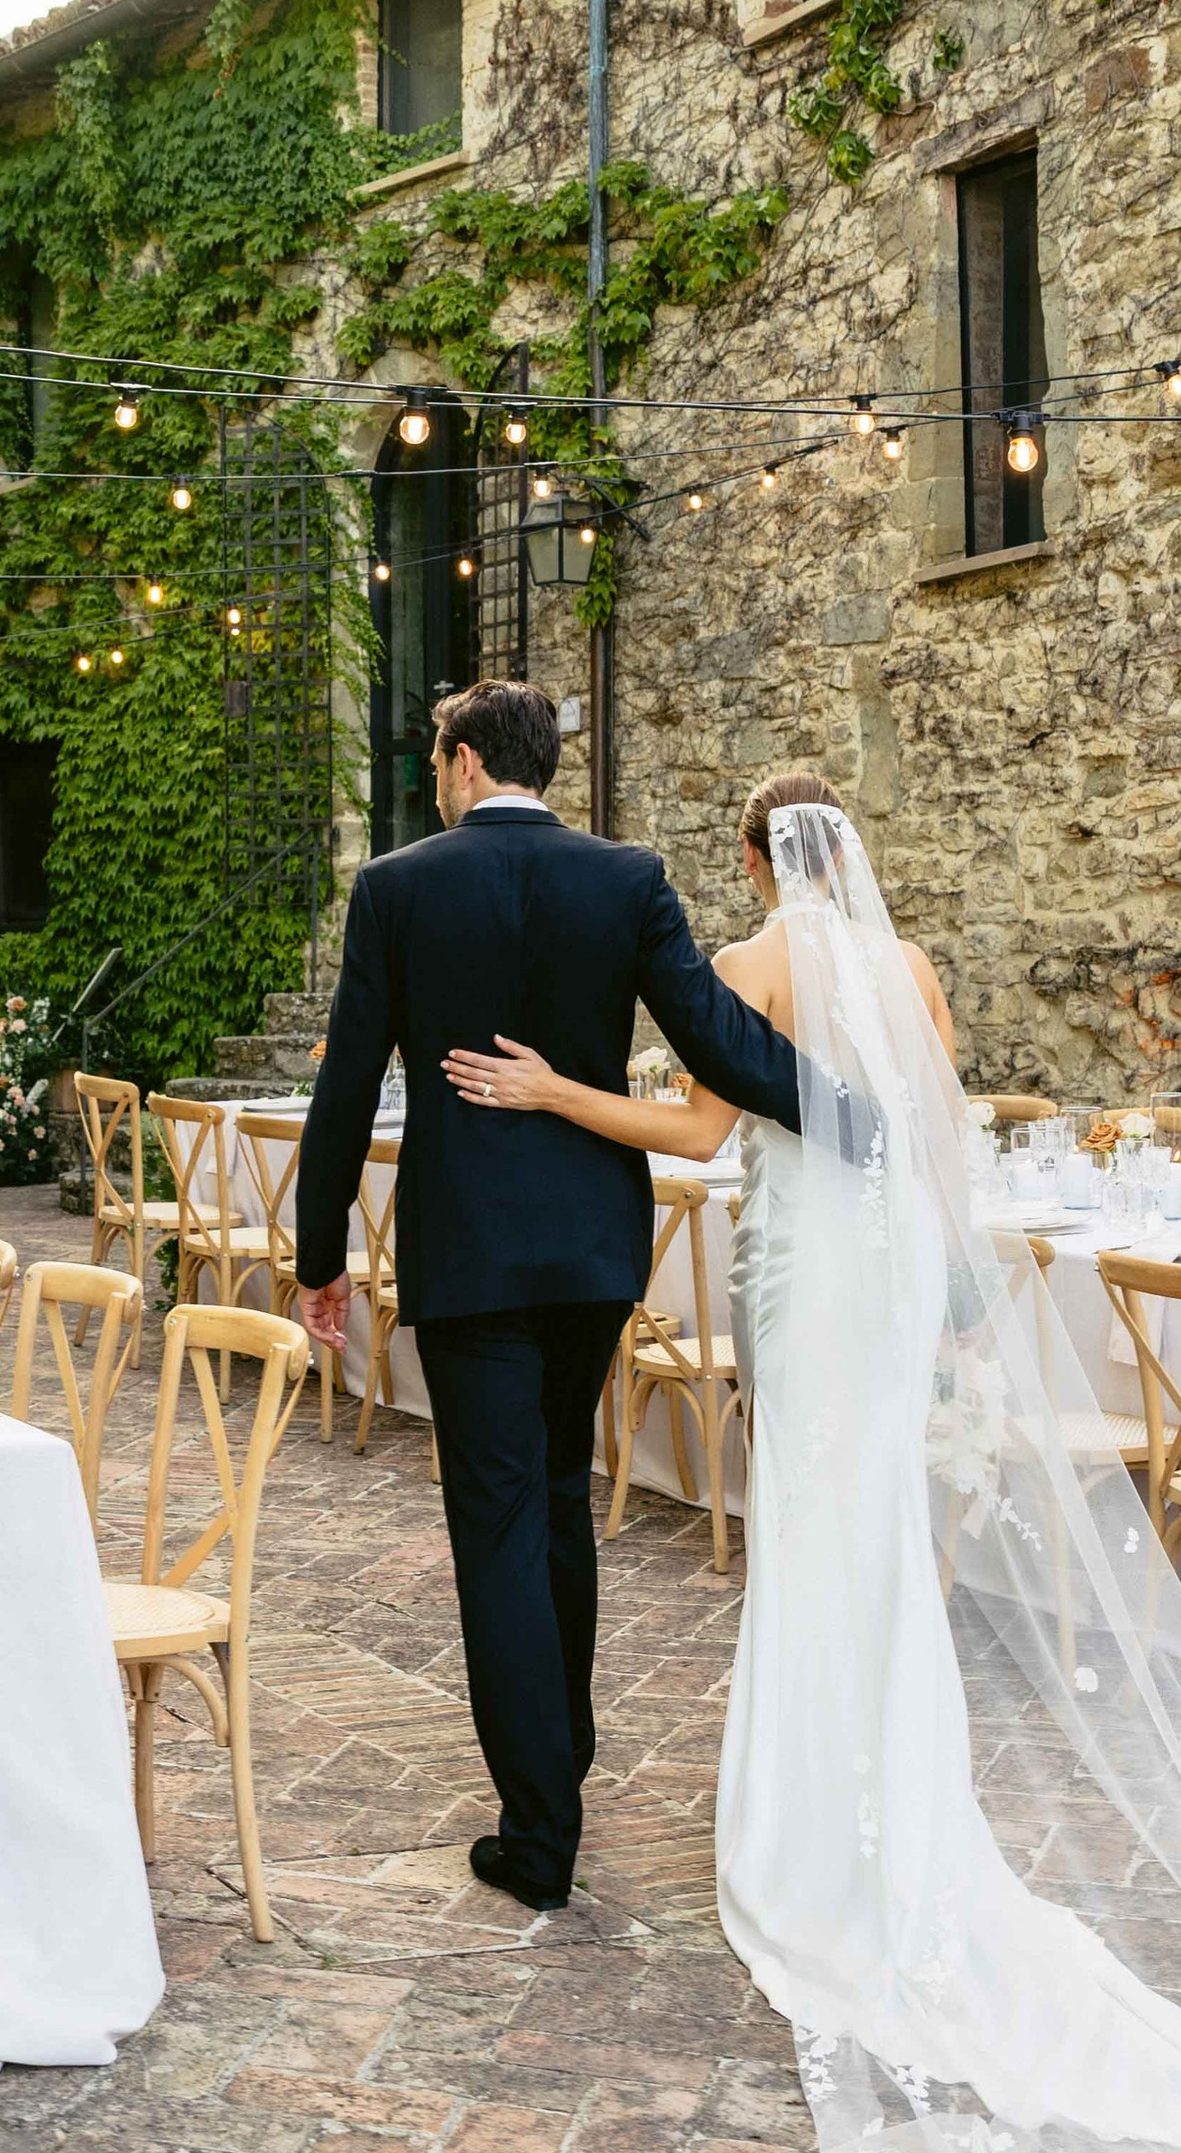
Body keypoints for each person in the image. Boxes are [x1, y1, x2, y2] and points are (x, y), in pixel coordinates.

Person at [443, 762, 1181, 2153]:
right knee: (868, 1524)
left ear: (753, 861)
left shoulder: (747, 960)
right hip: (903, 1258)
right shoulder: (909, 962)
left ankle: (818, 1820)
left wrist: (552, 1091)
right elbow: (934, 1142)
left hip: (808, 1268)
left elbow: (697, 1135)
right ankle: (895, 1791)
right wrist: (964, 1301)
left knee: (815, 1523)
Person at [293, 680, 808, 1916]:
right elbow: (718, 1043)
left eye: (432, 758)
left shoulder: (398, 887)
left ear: (464, 762)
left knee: (497, 1522)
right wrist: (863, 1116)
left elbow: (348, 1086)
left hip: (469, 1254)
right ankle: (559, 1751)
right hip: (591, 1250)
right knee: (560, 1498)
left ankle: (540, 1830)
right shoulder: (623, 879)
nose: (430, 777)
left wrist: (318, 1258)